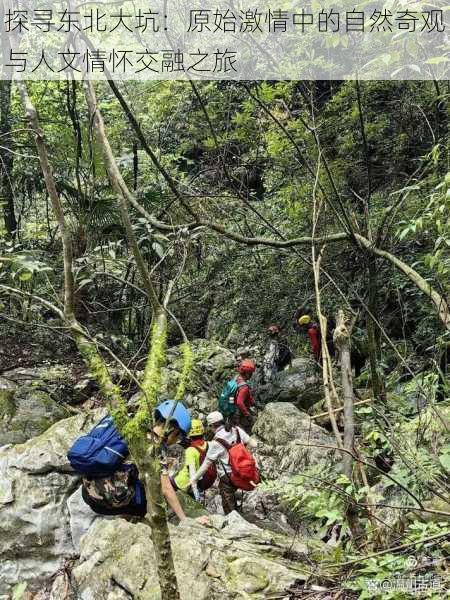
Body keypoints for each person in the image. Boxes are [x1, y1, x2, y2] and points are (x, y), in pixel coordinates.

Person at [80, 400, 208, 524]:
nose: (177, 441)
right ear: (173, 430)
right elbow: (166, 489)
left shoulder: (134, 429)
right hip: (106, 503)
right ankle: (137, 521)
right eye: (179, 436)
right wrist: (186, 520)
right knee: (154, 490)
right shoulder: (157, 447)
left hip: (87, 494)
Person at [189, 411, 258, 515]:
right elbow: (254, 444)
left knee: (225, 490)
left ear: (211, 426)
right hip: (244, 472)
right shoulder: (237, 430)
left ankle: (232, 516)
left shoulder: (215, 442)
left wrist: (193, 479)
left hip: (229, 477)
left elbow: (206, 465)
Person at [171, 419, 217, 499]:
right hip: (202, 483)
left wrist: (196, 496)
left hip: (184, 484)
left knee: (168, 480)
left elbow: (191, 472)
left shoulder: (190, 450)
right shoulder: (210, 445)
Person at [233, 359, 257, 432]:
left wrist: (254, 403)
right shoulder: (244, 387)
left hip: (232, 408)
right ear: (247, 374)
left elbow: (245, 395)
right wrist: (248, 415)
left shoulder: (236, 378)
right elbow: (239, 402)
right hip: (238, 413)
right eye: (251, 373)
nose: (251, 375)